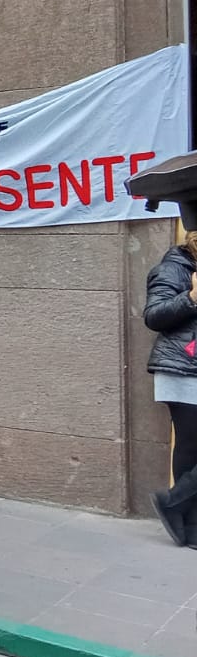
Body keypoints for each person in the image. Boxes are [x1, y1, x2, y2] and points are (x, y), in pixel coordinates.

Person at [144, 231, 197, 549]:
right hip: (183, 368)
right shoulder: (175, 266)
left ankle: (175, 504)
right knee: (190, 449)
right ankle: (189, 526)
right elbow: (154, 316)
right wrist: (191, 298)